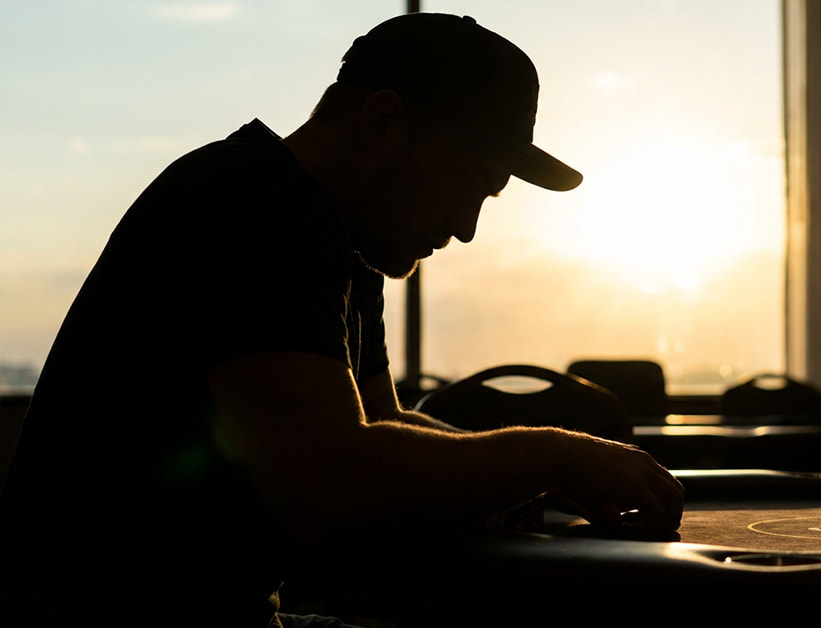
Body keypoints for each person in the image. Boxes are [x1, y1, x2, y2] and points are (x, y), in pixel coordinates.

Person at [0, 13, 683, 627]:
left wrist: (541, 477)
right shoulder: (251, 205)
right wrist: (556, 453)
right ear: (383, 124)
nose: (467, 227)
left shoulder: (346, 239)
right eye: (469, 183)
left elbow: (379, 424)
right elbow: (334, 479)